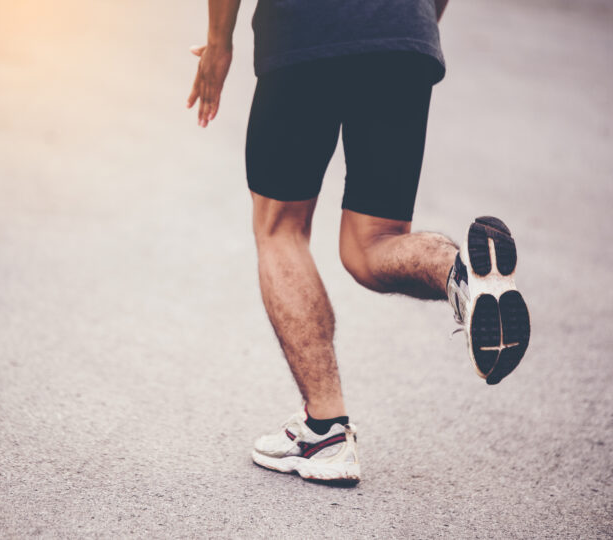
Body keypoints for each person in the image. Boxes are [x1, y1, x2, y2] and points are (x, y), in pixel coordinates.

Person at [186, 0, 530, 485]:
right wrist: (407, 27)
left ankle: (326, 432)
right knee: (373, 244)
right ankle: (463, 273)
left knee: (279, 227)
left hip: (306, 31)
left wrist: (219, 44)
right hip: (405, 36)